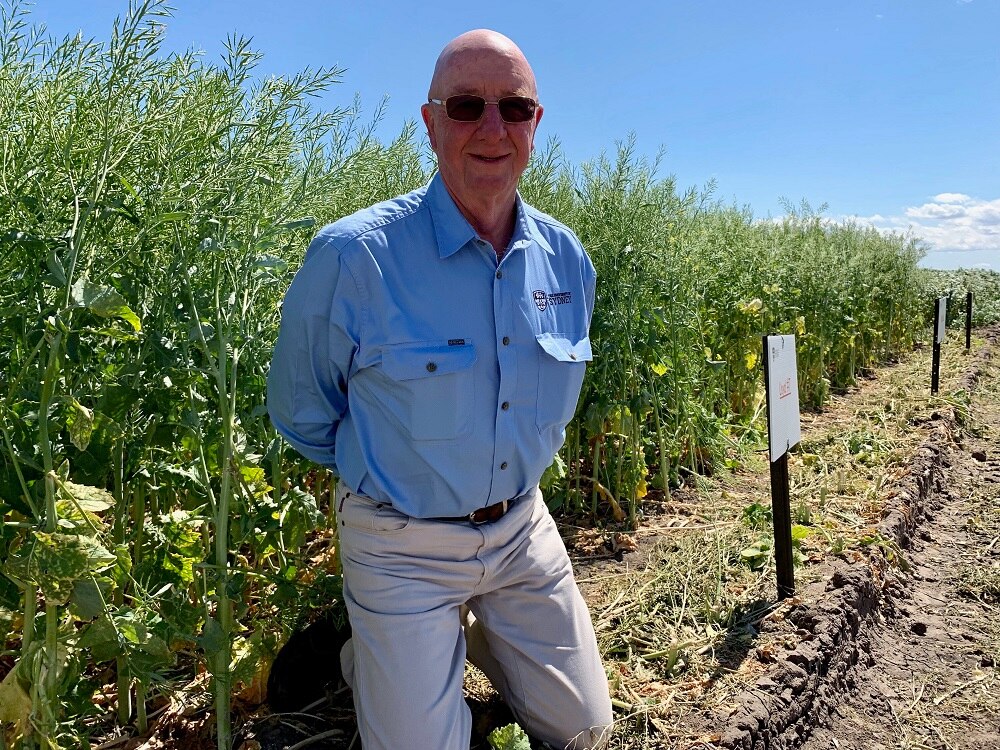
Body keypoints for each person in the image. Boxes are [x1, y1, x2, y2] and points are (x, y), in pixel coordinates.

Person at [267, 29, 613, 750]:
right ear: (430, 124)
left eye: (514, 109)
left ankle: (473, 639)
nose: (492, 128)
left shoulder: (566, 259)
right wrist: (402, 478)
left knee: (584, 732)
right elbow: (303, 413)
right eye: (466, 106)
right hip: (401, 544)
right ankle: (377, 649)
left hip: (521, 531)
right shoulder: (355, 257)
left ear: (535, 125)